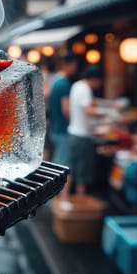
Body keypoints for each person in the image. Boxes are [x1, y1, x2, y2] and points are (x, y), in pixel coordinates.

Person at [68, 65, 104, 196]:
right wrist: (107, 114)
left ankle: (66, 200)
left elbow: (91, 103)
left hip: (74, 133)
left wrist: (106, 105)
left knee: (74, 169)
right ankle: (81, 201)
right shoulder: (85, 89)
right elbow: (88, 110)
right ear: (95, 79)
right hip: (82, 135)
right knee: (82, 173)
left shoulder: (77, 85)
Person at [49, 53, 78, 197]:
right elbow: (66, 110)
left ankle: (55, 196)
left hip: (55, 128)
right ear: (68, 65)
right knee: (64, 166)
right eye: (74, 65)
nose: (75, 68)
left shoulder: (56, 82)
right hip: (63, 130)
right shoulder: (64, 84)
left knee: (57, 163)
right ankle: (62, 198)